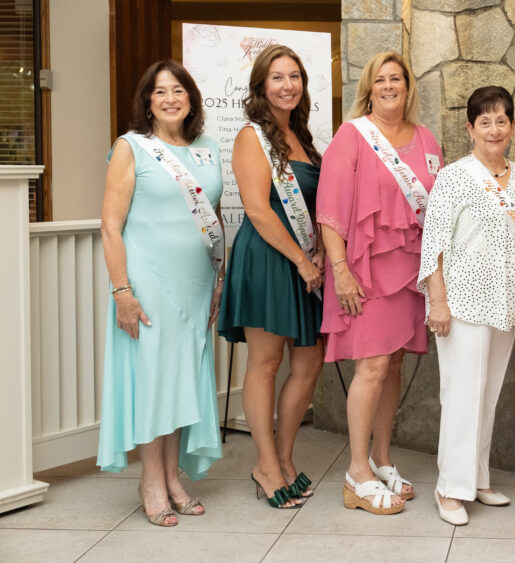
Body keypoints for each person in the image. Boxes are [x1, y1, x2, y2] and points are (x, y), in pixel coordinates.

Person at [98, 60, 224, 526]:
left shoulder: (208, 147)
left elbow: (214, 217)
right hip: (148, 284)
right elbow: (110, 226)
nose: (170, 99)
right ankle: (151, 481)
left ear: (191, 98)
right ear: (147, 102)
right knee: (154, 379)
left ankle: (173, 478)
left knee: (181, 378)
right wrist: (122, 291)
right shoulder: (130, 147)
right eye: (160, 92)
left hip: (196, 285)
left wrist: (219, 279)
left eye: (179, 91)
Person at [318, 51, 443, 516]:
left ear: (408, 87)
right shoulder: (352, 136)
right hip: (365, 273)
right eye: (381, 80)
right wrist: (341, 272)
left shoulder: (426, 138)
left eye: (397, 78)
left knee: (393, 366)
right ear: (369, 89)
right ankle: (357, 472)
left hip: (410, 273)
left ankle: (382, 459)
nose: (389, 86)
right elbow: (329, 210)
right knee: (371, 367)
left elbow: (437, 208)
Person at [419, 86, 515, 525]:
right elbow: (433, 243)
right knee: (462, 394)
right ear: (470, 129)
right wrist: (438, 302)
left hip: (507, 301)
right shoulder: (454, 177)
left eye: (501, 120)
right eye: (484, 122)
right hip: (463, 302)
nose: (494, 129)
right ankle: (450, 488)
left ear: (512, 126)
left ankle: (478, 478)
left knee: (487, 395)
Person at [218, 45, 325, 510]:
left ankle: (284, 458)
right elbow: (259, 210)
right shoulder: (252, 136)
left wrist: (320, 250)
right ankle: (265, 465)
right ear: (261, 85)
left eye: (294, 76)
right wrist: (302, 260)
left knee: (310, 360)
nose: (288, 85)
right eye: (278, 77)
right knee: (265, 362)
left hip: (304, 258)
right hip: (268, 257)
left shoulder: (301, 136)